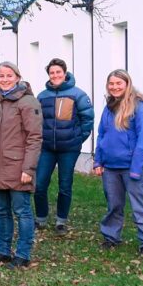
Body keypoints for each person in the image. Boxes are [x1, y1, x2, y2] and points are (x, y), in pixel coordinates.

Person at [93, 70, 143, 257]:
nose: (114, 87)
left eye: (118, 83)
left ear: (127, 84)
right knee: (114, 204)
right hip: (110, 168)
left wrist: (137, 168)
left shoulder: (139, 106)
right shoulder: (109, 107)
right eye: (111, 84)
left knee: (141, 205)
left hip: (132, 167)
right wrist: (98, 160)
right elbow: (102, 135)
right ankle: (111, 237)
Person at [0, 61, 43, 268]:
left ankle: (23, 254)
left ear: (17, 77)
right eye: (1, 75)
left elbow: (35, 138)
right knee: (1, 211)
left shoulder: (28, 102)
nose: (5, 79)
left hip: (18, 167)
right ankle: (2, 251)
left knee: (22, 212)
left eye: (9, 75)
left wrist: (29, 169)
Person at [34, 58, 94, 234]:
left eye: (58, 72)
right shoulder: (42, 96)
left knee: (65, 185)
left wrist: (76, 140)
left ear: (65, 73)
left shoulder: (78, 94)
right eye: (52, 73)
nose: (55, 75)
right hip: (46, 148)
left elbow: (87, 120)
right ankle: (41, 218)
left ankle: (61, 221)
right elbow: (36, 121)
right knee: (39, 184)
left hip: (69, 149)